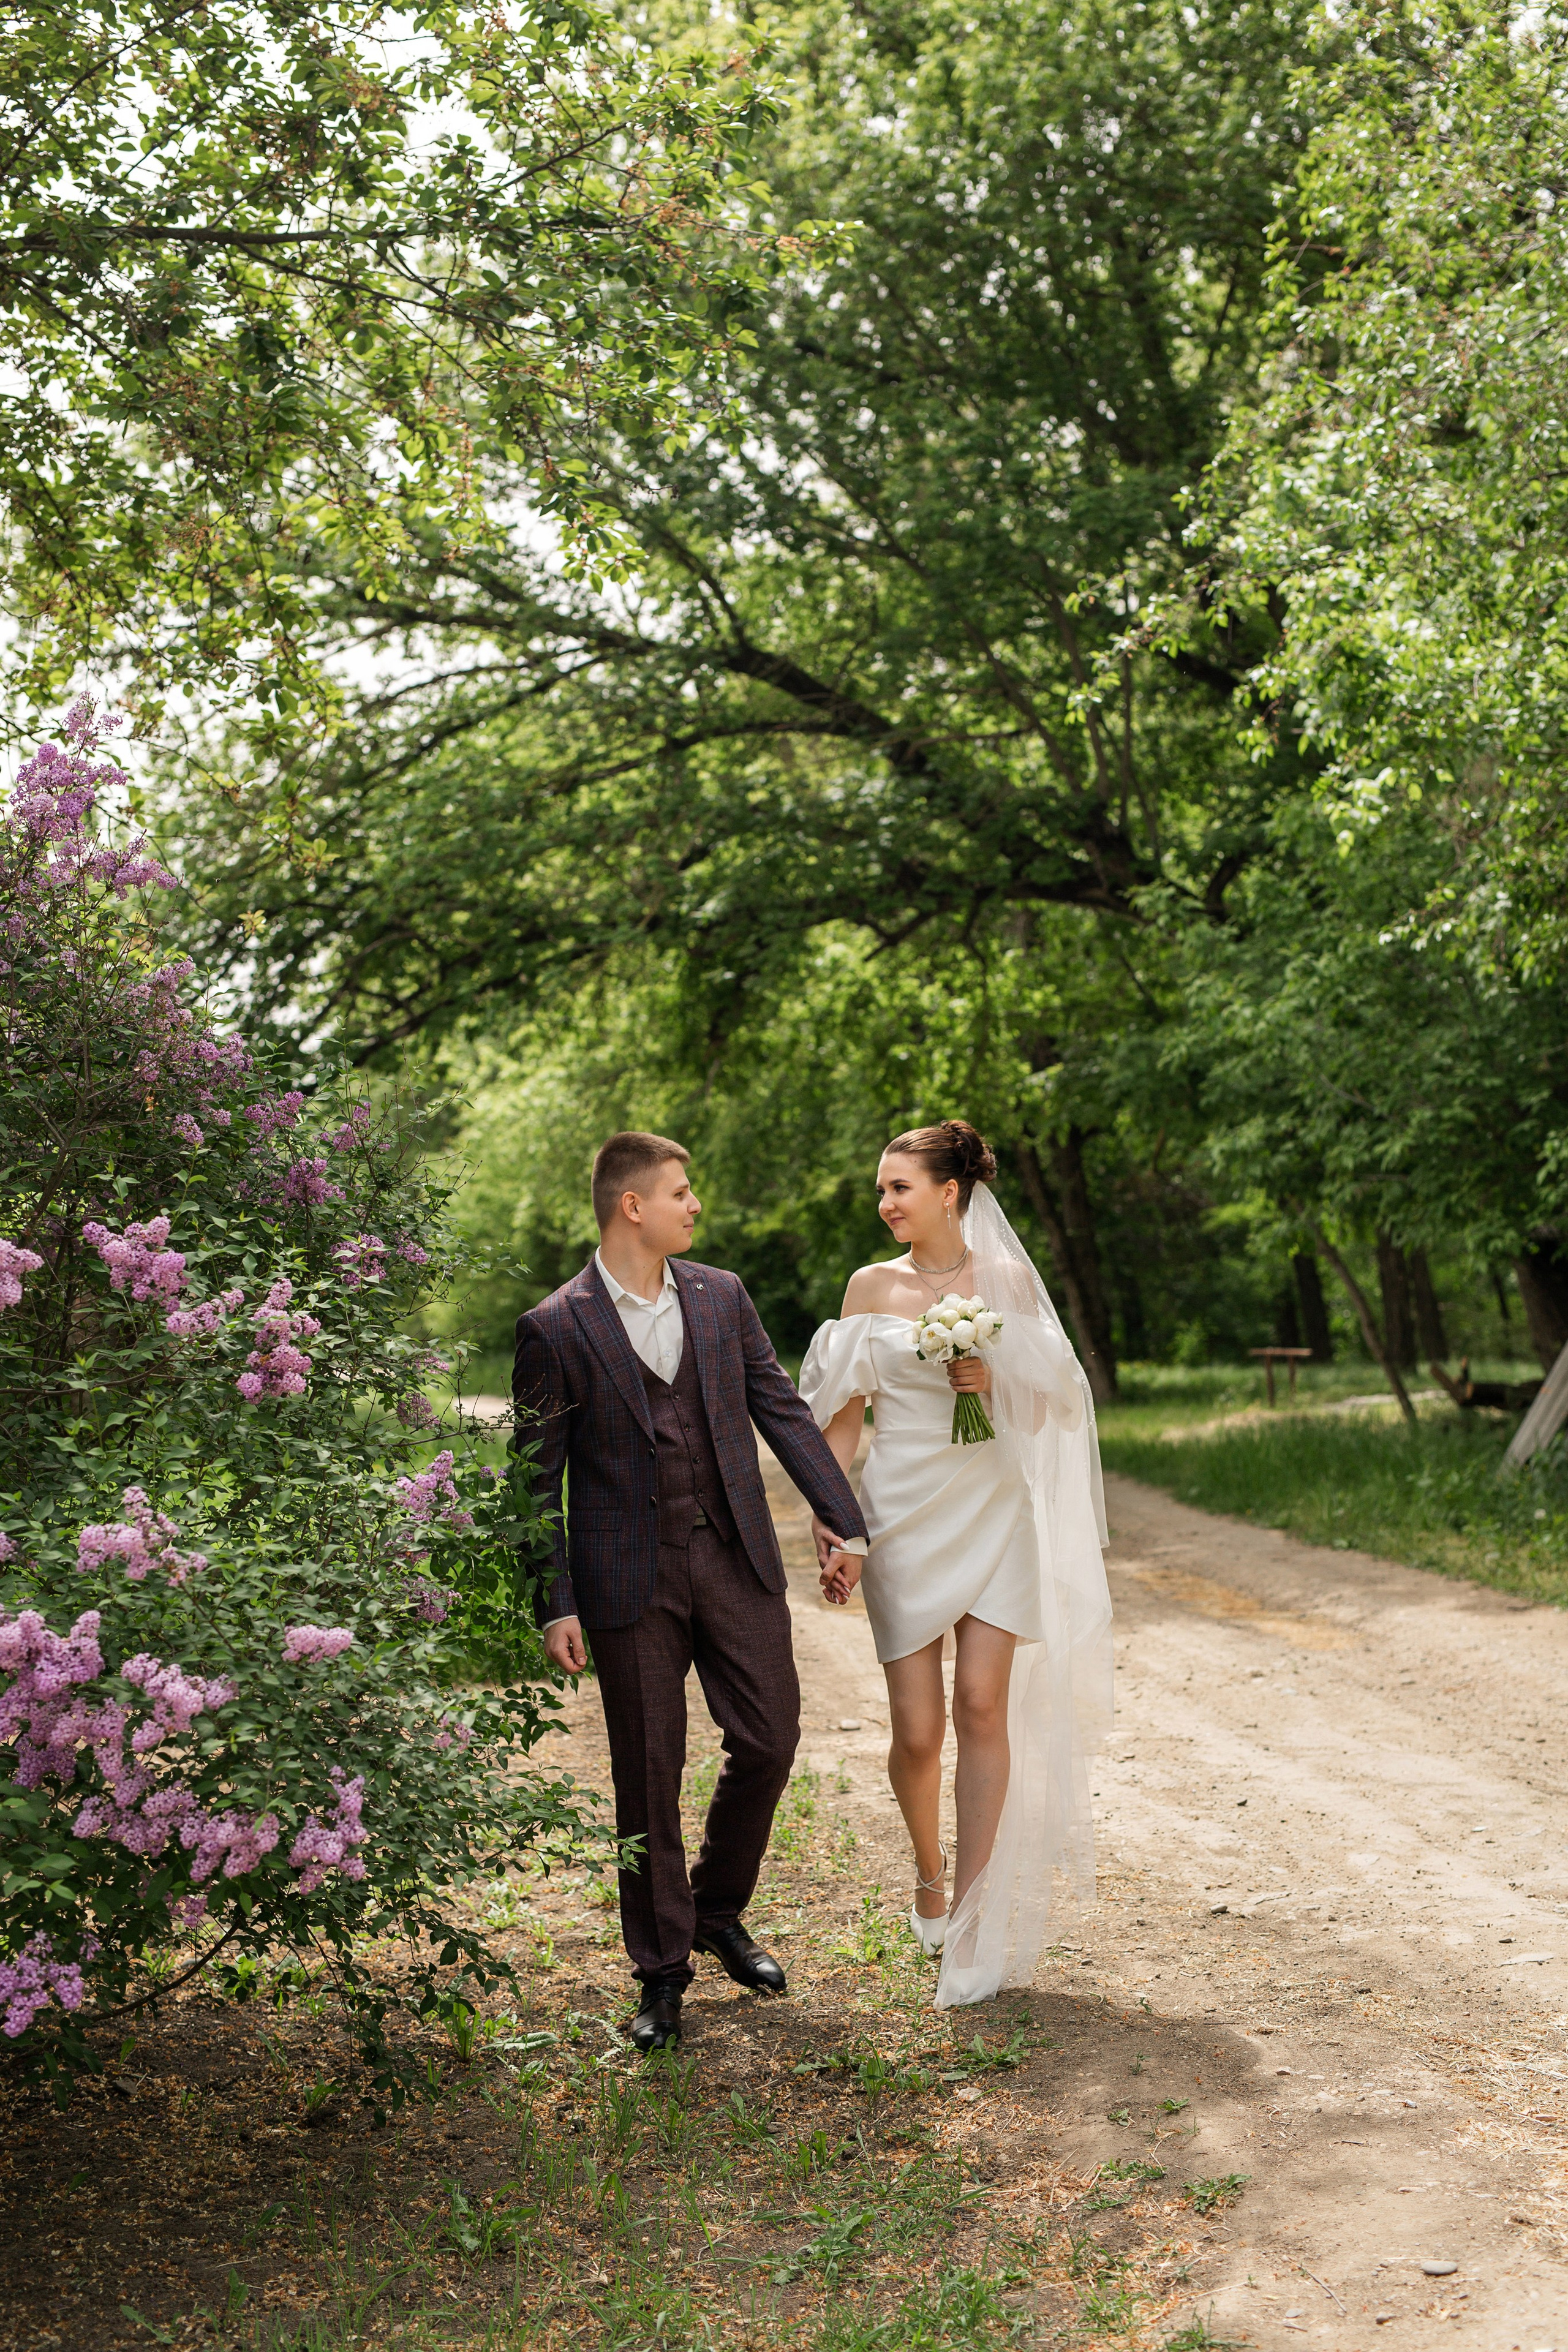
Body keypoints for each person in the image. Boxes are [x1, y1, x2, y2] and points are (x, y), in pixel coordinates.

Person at [512, 1131, 869, 2052]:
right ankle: (662, 1970)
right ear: (634, 1206)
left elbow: (781, 1408)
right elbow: (531, 1478)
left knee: (770, 1735)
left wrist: (843, 1519)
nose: (694, 1205)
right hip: (625, 1581)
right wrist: (555, 1598)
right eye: (681, 1191)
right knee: (648, 1770)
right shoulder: (554, 1326)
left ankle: (715, 1910)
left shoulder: (721, 1298)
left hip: (733, 1557)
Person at [799, 1120, 1113, 2007]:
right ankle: (928, 1874)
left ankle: (972, 1920)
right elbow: (842, 1412)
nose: (885, 1203)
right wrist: (840, 1526)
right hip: (902, 1512)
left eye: (898, 1187)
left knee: (980, 1704)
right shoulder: (871, 1285)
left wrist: (996, 1380)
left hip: (996, 1507)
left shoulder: (1009, 1281)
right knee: (917, 1730)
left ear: (949, 1191)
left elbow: (1057, 1413)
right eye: (880, 1189)